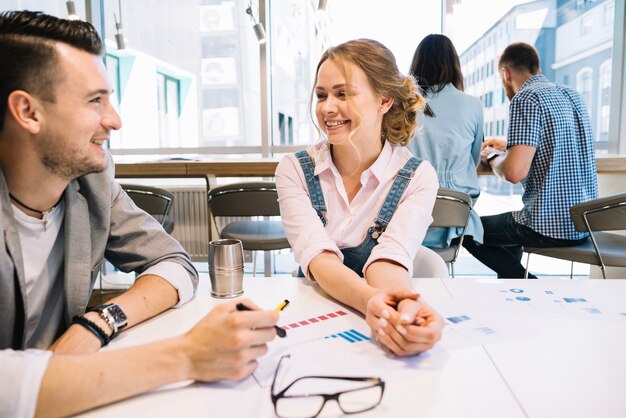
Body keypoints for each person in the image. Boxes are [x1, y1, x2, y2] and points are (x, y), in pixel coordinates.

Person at [0, 10, 278, 418]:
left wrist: (98, 323)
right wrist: (187, 355)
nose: (114, 120)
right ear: (28, 112)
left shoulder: (90, 185)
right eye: (95, 100)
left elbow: (176, 263)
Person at [276, 39, 444, 357]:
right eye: (321, 95)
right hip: (309, 319)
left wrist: (405, 308)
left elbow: (388, 260)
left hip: (371, 322)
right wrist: (372, 303)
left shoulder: (417, 177)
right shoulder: (294, 170)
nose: (327, 108)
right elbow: (318, 258)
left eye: (343, 93)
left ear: (384, 100)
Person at [463, 42, 599, 278]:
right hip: (582, 224)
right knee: (507, 232)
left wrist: (493, 157)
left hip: (547, 227)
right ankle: (512, 286)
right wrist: (510, 145)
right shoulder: (572, 95)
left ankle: (525, 282)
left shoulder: (525, 98)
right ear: (537, 67)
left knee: (465, 231)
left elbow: (514, 173)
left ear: (505, 73)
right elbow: (559, 140)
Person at [407, 33, 484, 248]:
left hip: (412, 211)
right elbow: (474, 160)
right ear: (454, 65)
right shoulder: (473, 105)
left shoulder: (404, 105)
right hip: (455, 210)